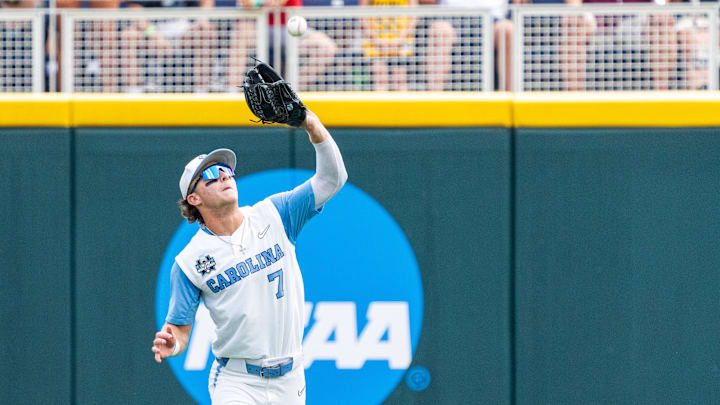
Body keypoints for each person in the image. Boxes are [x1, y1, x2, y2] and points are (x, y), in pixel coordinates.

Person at [151, 109, 347, 405]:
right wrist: (173, 342)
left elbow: (333, 179)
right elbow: (179, 331)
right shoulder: (189, 262)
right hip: (237, 381)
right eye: (210, 176)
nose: (223, 176)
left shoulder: (276, 214)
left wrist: (311, 124)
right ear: (194, 199)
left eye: (226, 171)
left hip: (290, 378)